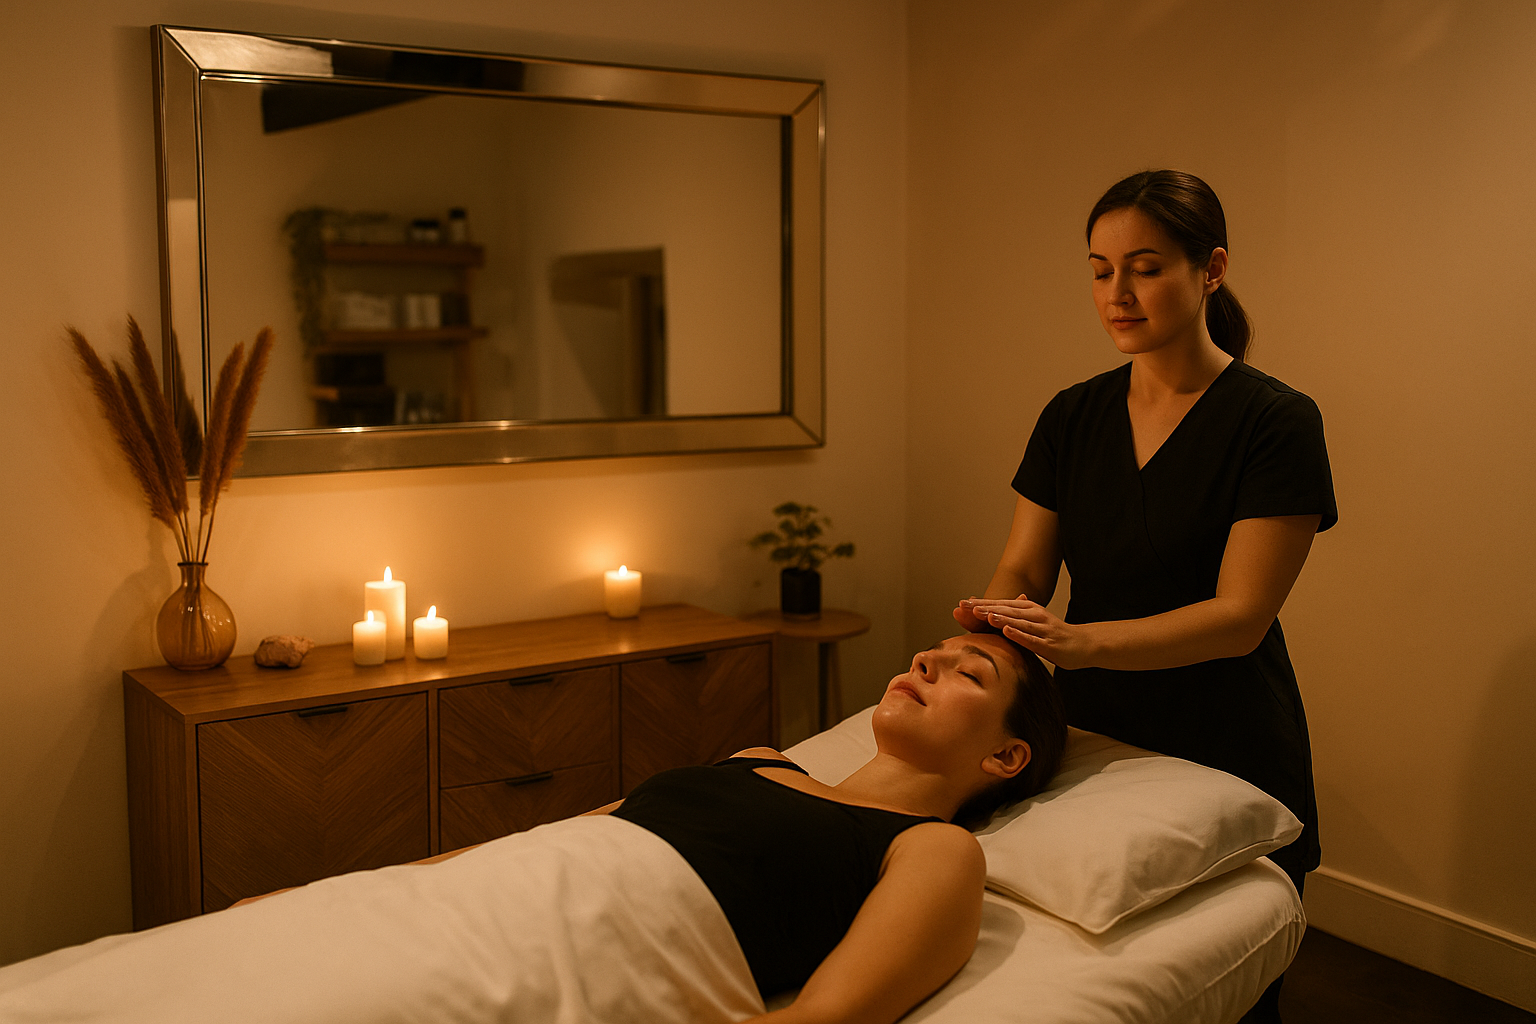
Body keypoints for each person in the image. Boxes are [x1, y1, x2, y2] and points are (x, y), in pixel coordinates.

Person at [954, 169, 1336, 1024]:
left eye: (1146, 268)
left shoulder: (1276, 421)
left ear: (1212, 270)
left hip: (1227, 735)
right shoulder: (1072, 415)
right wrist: (988, 633)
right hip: (1091, 727)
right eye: (1100, 271)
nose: (1116, 294)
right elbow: (1024, 567)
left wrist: (1079, 641)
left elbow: (1240, 619)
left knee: (1227, 994)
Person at [593, 631, 1066, 1024]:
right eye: (930, 651)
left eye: (969, 673)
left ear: (1006, 756)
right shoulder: (759, 760)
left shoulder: (934, 848)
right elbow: (589, 826)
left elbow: (822, 1017)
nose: (922, 661)